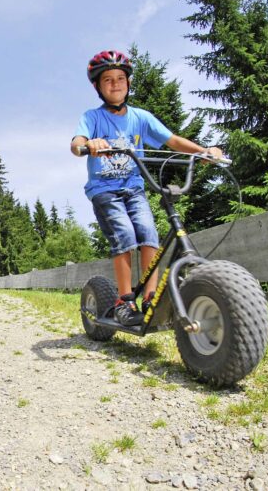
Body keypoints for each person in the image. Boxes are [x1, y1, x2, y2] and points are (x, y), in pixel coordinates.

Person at [70, 50, 223, 326]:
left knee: (149, 233)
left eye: (120, 78)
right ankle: (124, 301)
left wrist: (204, 152)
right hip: (105, 190)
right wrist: (89, 144)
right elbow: (76, 141)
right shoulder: (93, 118)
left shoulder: (140, 117)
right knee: (125, 234)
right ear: (98, 87)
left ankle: (150, 297)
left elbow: (172, 141)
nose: (115, 84)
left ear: (128, 83)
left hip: (134, 188)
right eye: (108, 80)